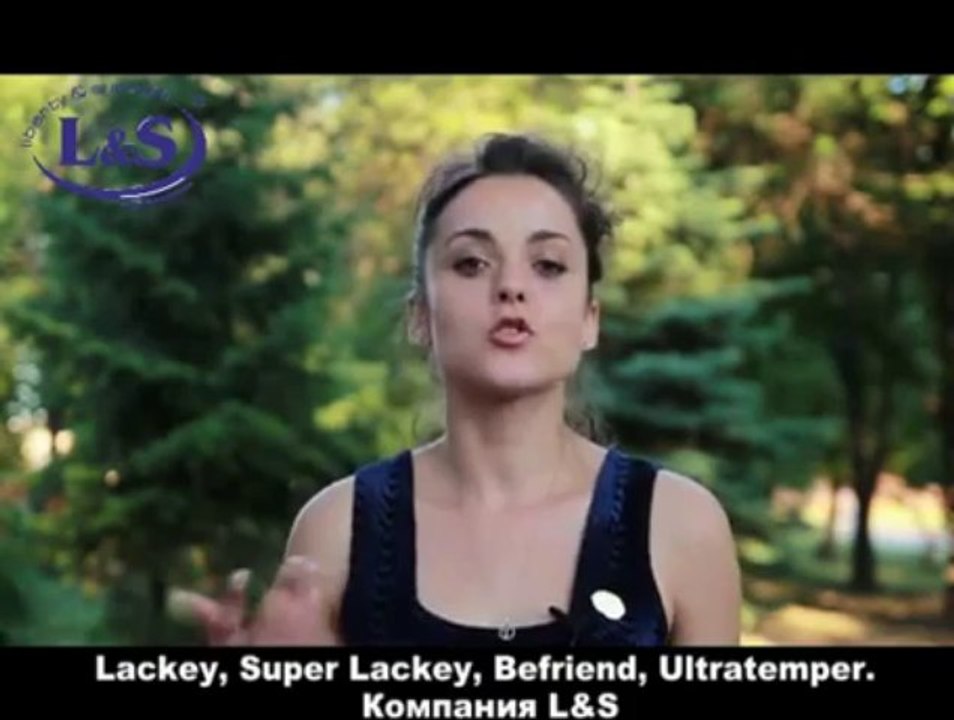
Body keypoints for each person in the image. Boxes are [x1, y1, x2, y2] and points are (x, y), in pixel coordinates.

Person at [170, 132, 742, 647]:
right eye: (471, 263)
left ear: (590, 319)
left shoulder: (680, 525)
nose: (511, 286)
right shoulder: (339, 529)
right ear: (421, 316)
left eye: (547, 265)